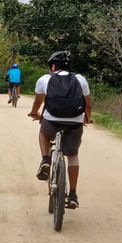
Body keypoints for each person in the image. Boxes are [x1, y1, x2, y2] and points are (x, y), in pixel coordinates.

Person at [28, 50, 92, 209]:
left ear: (53, 66)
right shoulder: (80, 79)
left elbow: (38, 103)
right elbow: (88, 105)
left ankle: (45, 160)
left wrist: (34, 113)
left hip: (52, 120)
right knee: (73, 156)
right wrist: (87, 118)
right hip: (75, 121)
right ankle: (73, 195)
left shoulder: (45, 79)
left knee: (43, 134)